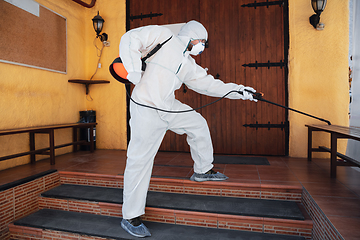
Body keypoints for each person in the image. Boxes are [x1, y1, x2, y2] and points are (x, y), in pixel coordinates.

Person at [118, 20, 257, 238]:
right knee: (140, 160)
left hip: (168, 106)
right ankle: (130, 216)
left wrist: (240, 91)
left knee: (197, 124)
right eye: (203, 43)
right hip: (145, 106)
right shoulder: (163, 36)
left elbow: (210, 85)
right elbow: (129, 38)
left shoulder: (189, 64)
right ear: (195, 36)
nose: (203, 47)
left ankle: (202, 171)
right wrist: (134, 72)